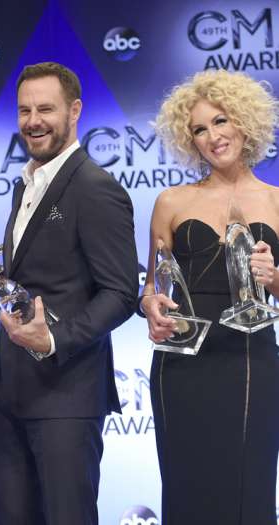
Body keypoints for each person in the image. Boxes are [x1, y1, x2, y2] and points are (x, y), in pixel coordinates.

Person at [0, 62, 138, 524]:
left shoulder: (96, 188)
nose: (33, 121)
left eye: (45, 109)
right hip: (9, 394)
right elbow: (28, 285)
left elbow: (120, 293)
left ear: (74, 111)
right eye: (24, 110)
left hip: (66, 397)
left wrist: (55, 339)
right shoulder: (29, 184)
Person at [141, 69, 279, 524]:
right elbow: (153, 285)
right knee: (187, 491)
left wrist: (274, 279)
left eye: (221, 121)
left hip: (251, 362)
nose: (212, 137)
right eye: (199, 129)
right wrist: (151, 306)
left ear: (244, 122)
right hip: (183, 365)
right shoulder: (171, 202)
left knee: (249, 490)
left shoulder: (277, 200)